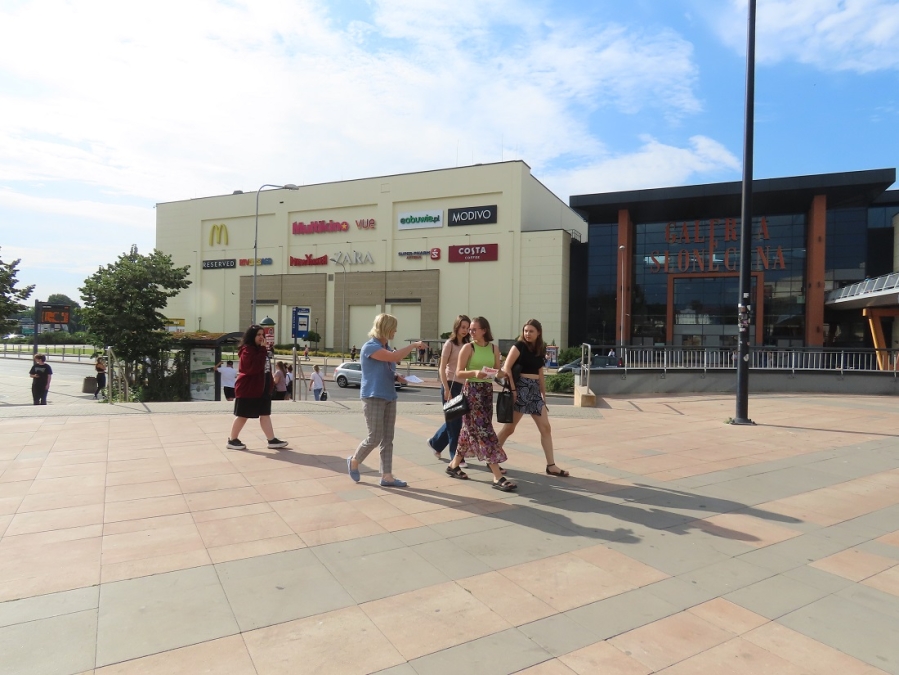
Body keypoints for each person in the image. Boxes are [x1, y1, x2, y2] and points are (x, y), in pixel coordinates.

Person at [346, 314, 424, 488]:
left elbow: (386, 367)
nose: (395, 331)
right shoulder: (370, 347)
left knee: (388, 438)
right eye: (393, 328)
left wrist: (397, 377)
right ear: (386, 328)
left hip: (389, 395)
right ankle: (354, 461)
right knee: (374, 437)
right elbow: (393, 358)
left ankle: (387, 476)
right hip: (373, 396)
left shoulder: (386, 347)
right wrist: (413, 345)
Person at [445, 317, 516, 491]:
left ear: (484, 330)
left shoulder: (494, 348)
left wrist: (503, 373)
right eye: (470, 329)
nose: (471, 332)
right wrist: (475, 372)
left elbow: (497, 371)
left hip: (486, 392)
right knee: (485, 431)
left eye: (474, 329)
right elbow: (459, 372)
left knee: (468, 430)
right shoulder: (468, 348)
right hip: (472, 392)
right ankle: (497, 476)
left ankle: (453, 465)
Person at [497, 319, 569, 477]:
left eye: (531, 331)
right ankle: (492, 459)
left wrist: (543, 393)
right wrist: (514, 390)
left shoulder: (539, 349)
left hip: (535, 391)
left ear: (538, 333)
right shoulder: (519, 346)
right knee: (509, 429)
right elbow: (506, 368)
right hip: (521, 388)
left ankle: (551, 466)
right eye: (526, 331)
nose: (527, 334)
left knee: (546, 428)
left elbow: (540, 372)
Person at [227, 325, 289, 450]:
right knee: (243, 415)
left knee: (265, 414)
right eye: (258, 335)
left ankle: (271, 440)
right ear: (252, 336)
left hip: (262, 389)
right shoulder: (247, 350)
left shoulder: (261, 350)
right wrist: (262, 350)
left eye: (262, 335)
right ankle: (232, 440)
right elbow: (253, 368)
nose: (261, 337)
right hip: (248, 389)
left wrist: (270, 384)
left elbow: (265, 369)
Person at [427, 315, 471, 467]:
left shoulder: (468, 345)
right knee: (454, 423)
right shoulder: (450, 344)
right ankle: (456, 457)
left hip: (463, 386)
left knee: (455, 420)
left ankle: (435, 443)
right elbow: (442, 368)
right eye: (463, 327)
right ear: (457, 327)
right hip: (451, 385)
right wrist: (446, 389)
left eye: (467, 328)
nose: (465, 330)